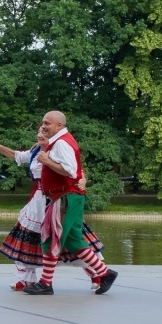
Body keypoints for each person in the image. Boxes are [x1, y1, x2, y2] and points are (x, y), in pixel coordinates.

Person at [0, 130, 104, 290]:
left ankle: (96, 274)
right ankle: (27, 279)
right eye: (39, 132)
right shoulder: (35, 151)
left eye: (45, 132)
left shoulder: (58, 148)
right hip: (37, 202)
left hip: (58, 199)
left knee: (69, 238)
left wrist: (82, 181)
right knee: (25, 240)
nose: (40, 135)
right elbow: (18, 156)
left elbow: (76, 170)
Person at [24, 111, 118, 295]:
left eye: (47, 123)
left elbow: (70, 172)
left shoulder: (61, 143)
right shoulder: (59, 141)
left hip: (64, 197)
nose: (43, 126)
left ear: (59, 125)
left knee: (51, 236)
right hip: (69, 196)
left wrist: (46, 160)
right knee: (73, 239)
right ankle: (104, 273)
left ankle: (45, 283)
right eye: (42, 122)